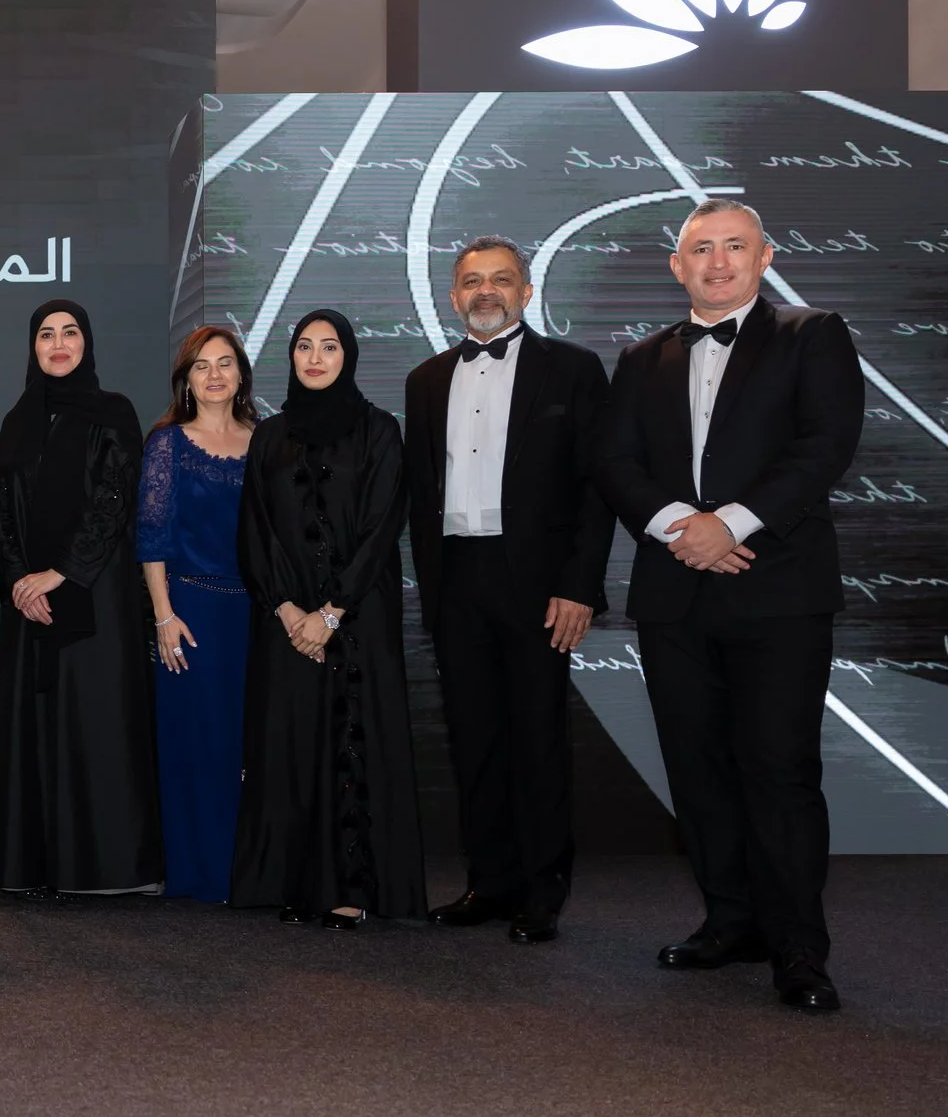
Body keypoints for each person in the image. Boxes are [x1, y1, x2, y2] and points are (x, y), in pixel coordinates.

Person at [594, 198, 863, 1012]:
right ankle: (730, 920)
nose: (717, 262)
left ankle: (798, 947)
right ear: (677, 266)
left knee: (779, 770)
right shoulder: (640, 358)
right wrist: (684, 528)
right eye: (700, 249)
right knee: (698, 768)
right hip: (677, 592)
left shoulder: (812, 333)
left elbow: (826, 443)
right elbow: (615, 460)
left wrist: (730, 525)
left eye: (733, 247)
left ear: (765, 256)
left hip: (779, 591)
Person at [404, 236, 614, 945]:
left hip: (537, 584)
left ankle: (542, 889)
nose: (484, 291)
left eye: (500, 279)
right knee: (475, 740)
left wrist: (579, 584)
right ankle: (488, 882)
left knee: (538, 738)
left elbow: (595, 488)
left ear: (526, 290)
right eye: (471, 281)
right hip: (456, 578)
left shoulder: (574, 371)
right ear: (454, 296)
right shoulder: (426, 379)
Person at [233, 308, 424, 927]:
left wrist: (332, 613)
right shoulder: (270, 435)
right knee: (291, 744)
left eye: (330, 347)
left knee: (352, 743)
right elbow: (255, 531)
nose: (315, 359)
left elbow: (380, 529)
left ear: (349, 357)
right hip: (285, 620)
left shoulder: (378, 431)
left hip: (358, 616)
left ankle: (355, 887)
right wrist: (290, 612)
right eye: (304, 348)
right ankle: (297, 882)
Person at [0, 299, 161, 898]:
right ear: (32, 347)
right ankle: (35, 867)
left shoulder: (113, 412)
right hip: (28, 603)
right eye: (46, 335)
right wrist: (17, 579)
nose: (58, 343)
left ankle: (107, 868)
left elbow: (116, 498)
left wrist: (60, 573)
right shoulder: (17, 418)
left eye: (70, 332)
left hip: (94, 596)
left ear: (87, 343)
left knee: (97, 723)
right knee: (35, 728)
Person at [137, 326, 255, 902]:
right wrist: (164, 614)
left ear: (240, 374)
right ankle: (199, 872)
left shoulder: (267, 441)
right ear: (186, 378)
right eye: (201, 366)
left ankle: (250, 869)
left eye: (225, 363)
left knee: (246, 744)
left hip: (258, 616)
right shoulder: (167, 444)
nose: (214, 375)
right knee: (197, 743)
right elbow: (153, 536)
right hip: (191, 615)